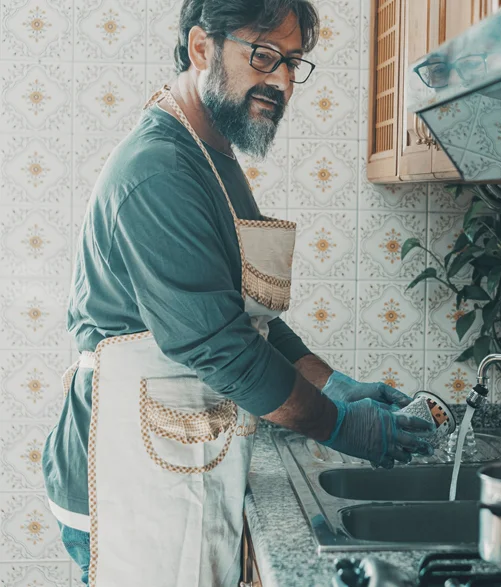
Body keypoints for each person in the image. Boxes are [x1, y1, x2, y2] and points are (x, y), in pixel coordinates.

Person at [41, 1, 433, 584]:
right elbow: (223, 348)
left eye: (293, 63)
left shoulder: (210, 153)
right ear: (202, 48)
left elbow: (252, 316)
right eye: (263, 55)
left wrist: (333, 383)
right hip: (124, 479)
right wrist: (341, 424)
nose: (280, 80)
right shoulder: (161, 172)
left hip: (172, 454)